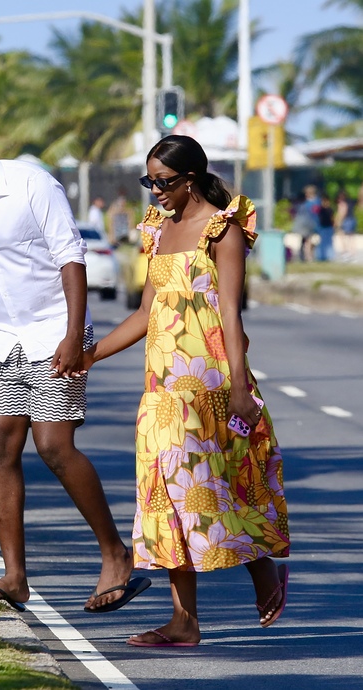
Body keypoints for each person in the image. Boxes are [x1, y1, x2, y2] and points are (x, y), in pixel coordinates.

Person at [0, 115, 150, 613]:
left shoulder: (32, 185)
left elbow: (72, 257)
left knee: (53, 445)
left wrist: (73, 335)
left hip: (54, 331)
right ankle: (15, 577)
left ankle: (116, 555)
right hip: (2, 339)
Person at [82, 135, 290, 646]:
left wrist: (240, 388)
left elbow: (230, 312)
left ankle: (262, 568)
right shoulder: (156, 230)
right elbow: (144, 313)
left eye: (165, 182)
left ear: (191, 179)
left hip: (212, 384)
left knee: (218, 487)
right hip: (160, 388)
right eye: (149, 181)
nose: (155, 192)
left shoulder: (224, 230)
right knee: (164, 495)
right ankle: (184, 621)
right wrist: (88, 356)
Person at [293, 185, 320, 261]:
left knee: (307, 240)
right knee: (307, 240)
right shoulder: (315, 201)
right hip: (308, 223)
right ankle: (307, 256)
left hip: (307, 223)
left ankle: (306, 256)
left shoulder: (309, 202)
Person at [334, 190, 357, 260]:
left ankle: (346, 251)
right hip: (352, 219)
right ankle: (352, 252)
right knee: (351, 237)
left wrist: (337, 221)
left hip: (346, 220)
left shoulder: (342, 203)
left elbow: (342, 212)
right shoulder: (350, 202)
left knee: (343, 236)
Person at [317, 193, 334, 261]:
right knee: (323, 242)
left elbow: (332, 218)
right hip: (322, 227)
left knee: (329, 242)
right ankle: (322, 256)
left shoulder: (330, 209)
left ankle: (329, 256)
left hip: (329, 227)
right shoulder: (320, 209)